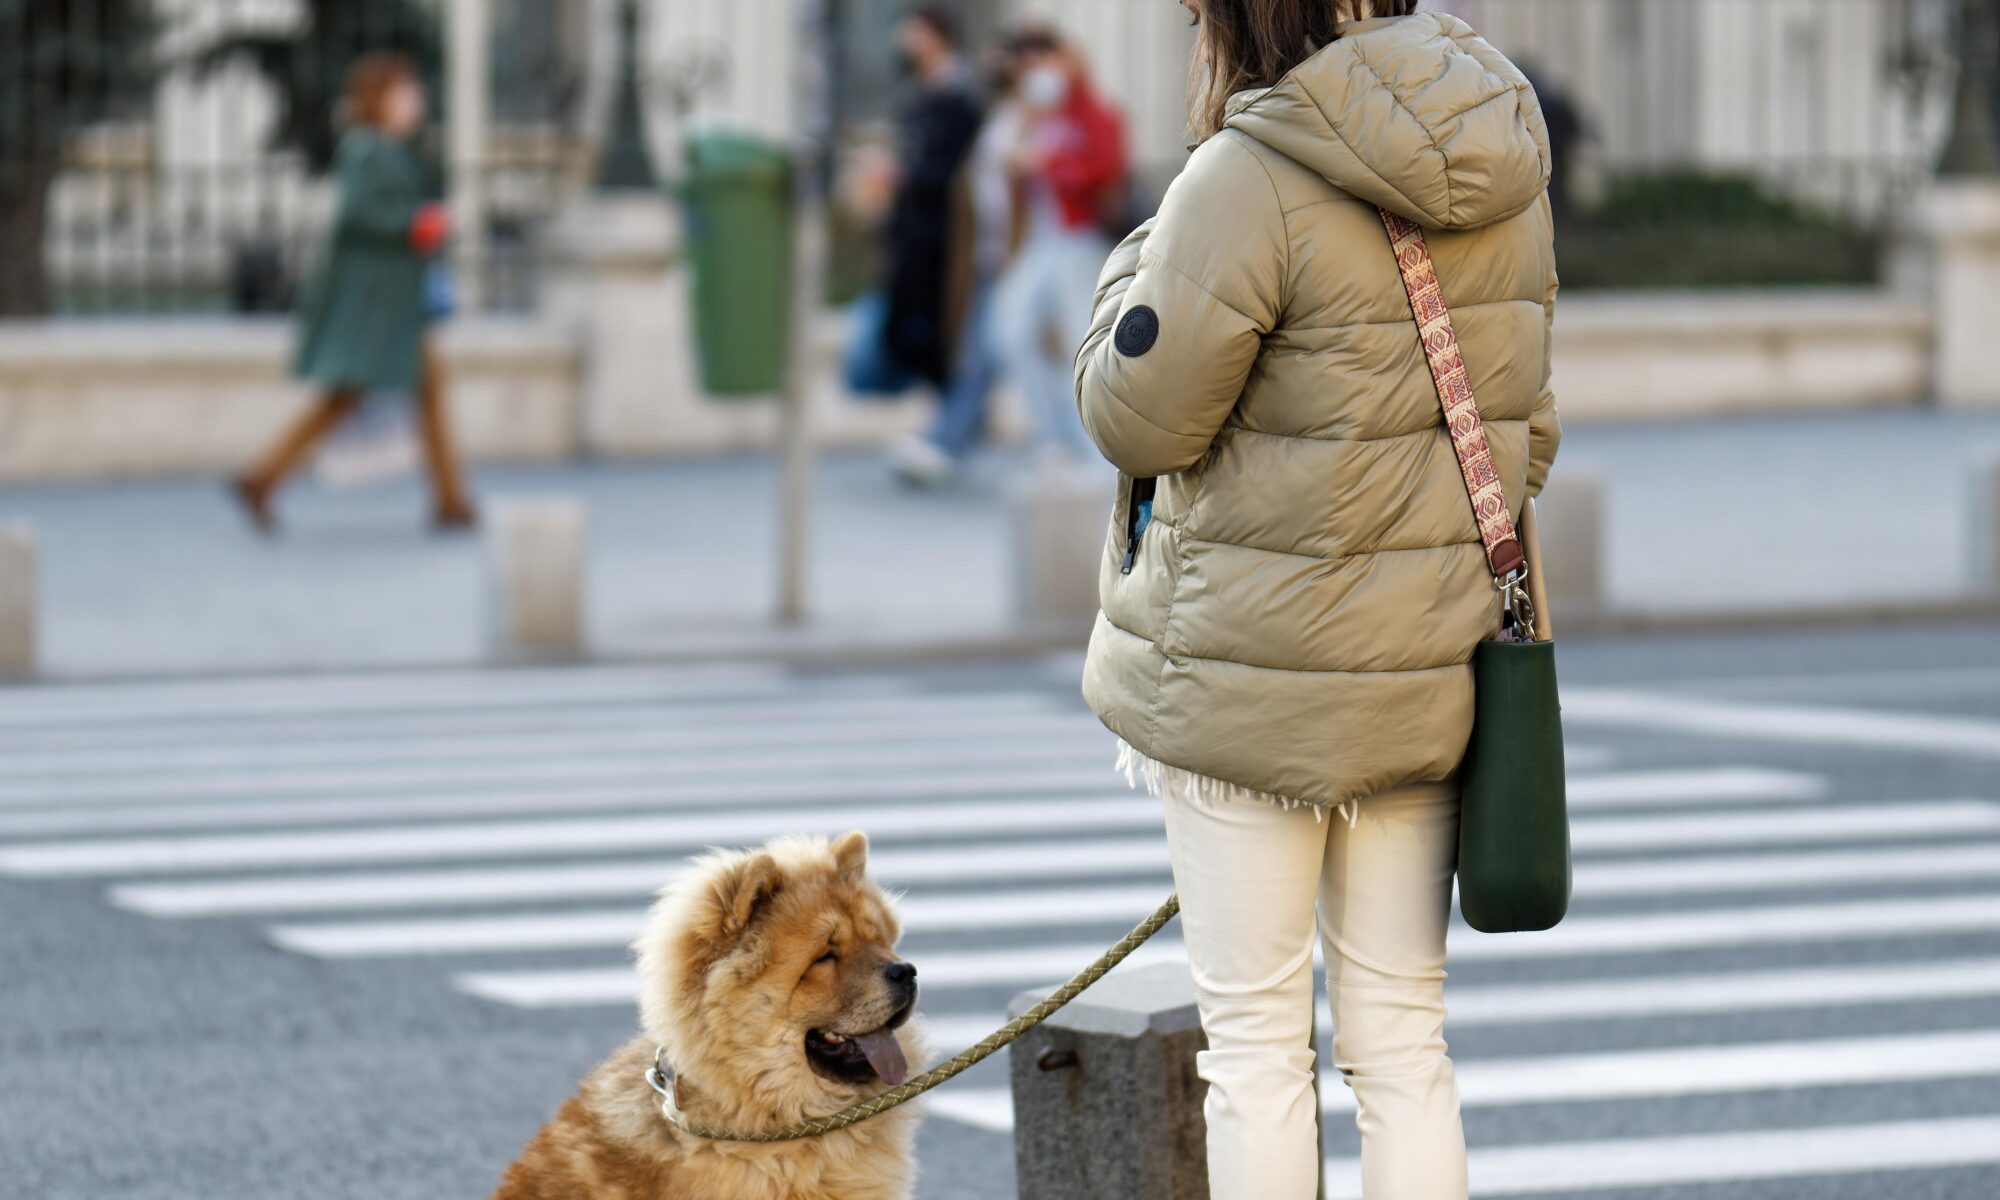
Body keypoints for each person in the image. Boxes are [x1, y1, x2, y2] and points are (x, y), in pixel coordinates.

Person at [1073, 4, 1562, 1199]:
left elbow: (1136, 420)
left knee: (1253, 1049)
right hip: (1428, 675)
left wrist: (1135, 261)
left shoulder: (1240, 176)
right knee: (1402, 1042)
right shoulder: (1500, 148)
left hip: (1249, 680)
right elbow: (1527, 433)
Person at [232, 51, 474, 533]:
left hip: (395, 302)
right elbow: (357, 214)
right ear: (379, 98)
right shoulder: (366, 150)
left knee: (424, 389)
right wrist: (413, 223)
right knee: (347, 396)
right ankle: (263, 477)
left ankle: (450, 499)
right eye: (404, 92)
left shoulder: (392, 149)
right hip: (373, 305)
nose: (415, 101)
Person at [888, 41, 1029, 489]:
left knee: (988, 353)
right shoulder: (1000, 117)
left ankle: (946, 443)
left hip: (1021, 259)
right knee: (978, 354)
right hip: (989, 258)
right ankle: (950, 441)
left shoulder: (1035, 120)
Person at [993, 29, 1126, 470]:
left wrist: (1047, 164)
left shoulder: (1094, 113)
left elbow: (1105, 169)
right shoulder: (1033, 115)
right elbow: (1007, 167)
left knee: (1078, 340)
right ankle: (1055, 436)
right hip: (1040, 242)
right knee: (1010, 332)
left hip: (1078, 240)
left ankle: (1095, 452)